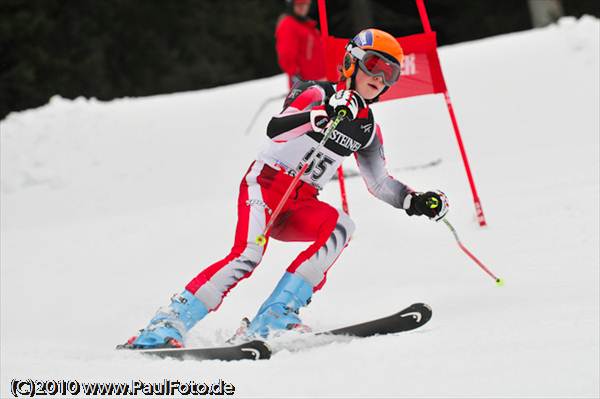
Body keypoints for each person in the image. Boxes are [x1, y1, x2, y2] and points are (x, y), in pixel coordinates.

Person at [122, 28, 448, 349]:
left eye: (391, 73)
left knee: (341, 227)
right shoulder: (317, 94)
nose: (381, 78)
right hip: (265, 186)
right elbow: (276, 129)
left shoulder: (366, 129)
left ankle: (275, 316)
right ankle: (167, 323)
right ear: (352, 62)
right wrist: (322, 115)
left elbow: (379, 182)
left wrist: (413, 200)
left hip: (302, 201)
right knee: (248, 256)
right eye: (376, 65)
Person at [275, 0, 326, 88]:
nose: (303, 7)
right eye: (299, 4)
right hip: (305, 85)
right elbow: (286, 54)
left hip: (320, 81)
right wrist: (295, 75)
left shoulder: (307, 25)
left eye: (305, 4)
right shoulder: (288, 25)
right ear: (291, 5)